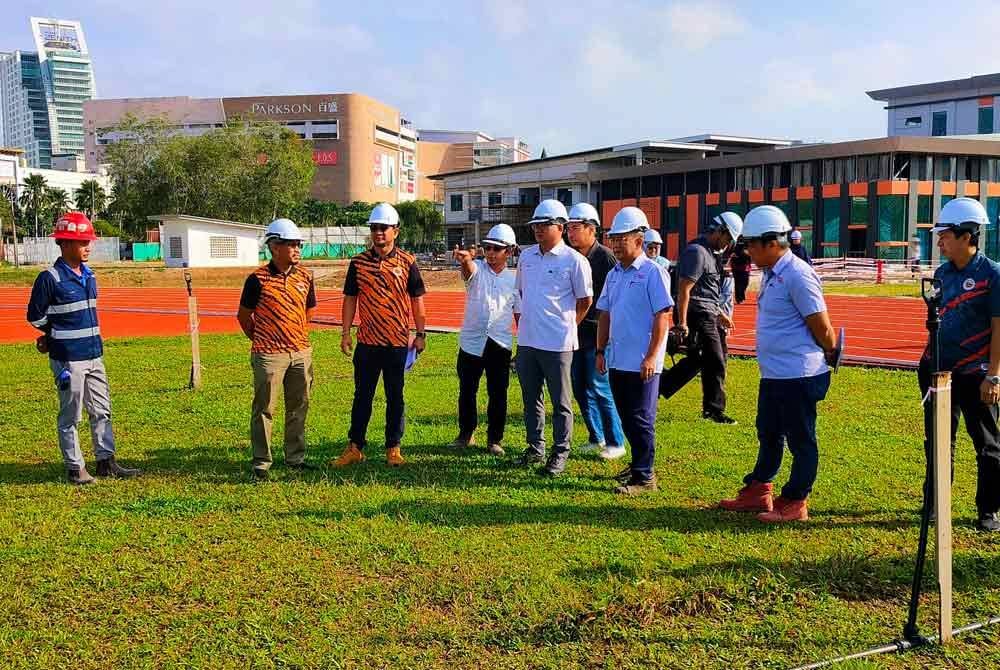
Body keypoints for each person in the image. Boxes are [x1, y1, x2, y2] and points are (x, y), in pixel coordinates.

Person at [719, 205, 837, 523]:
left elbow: (822, 326)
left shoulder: (798, 275)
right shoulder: (772, 274)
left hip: (798, 374)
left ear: (772, 242)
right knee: (769, 432)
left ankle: (796, 500)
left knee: (801, 439)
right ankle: (759, 489)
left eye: (752, 245)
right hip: (775, 373)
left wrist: (829, 351)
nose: (748, 252)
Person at [26, 212, 141, 485]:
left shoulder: (89, 275)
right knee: (71, 415)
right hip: (69, 360)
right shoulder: (50, 278)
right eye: (82, 242)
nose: (88, 246)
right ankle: (75, 467)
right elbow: (34, 315)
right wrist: (52, 335)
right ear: (64, 243)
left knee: (101, 409)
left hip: (94, 355)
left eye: (89, 241)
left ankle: (106, 461)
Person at [919, 197, 1000, 532]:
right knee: (938, 442)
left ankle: (988, 509)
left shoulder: (992, 275)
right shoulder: (941, 272)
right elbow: (935, 318)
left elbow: (999, 327)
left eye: (945, 235)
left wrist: (994, 376)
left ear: (968, 235)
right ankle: (936, 502)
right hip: (939, 373)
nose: (940, 242)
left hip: (977, 375)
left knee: (988, 445)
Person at [333, 202, 427, 468]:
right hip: (367, 344)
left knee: (395, 397)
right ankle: (355, 447)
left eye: (383, 228)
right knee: (362, 396)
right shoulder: (358, 263)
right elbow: (350, 298)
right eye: (374, 228)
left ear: (395, 231)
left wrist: (420, 334)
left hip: (397, 343)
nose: (378, 233)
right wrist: (345, 333)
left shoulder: (408, 263)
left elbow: (417, 301)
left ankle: (393, 448)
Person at [596, 207, 673, 495]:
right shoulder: (614, 274)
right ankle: (638, 464)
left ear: (639, 240)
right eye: (613, 238)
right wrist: (600, 350)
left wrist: (653, 355)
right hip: (618, 359)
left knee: (641, 418)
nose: (615, 244)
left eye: (621, 238)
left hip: (643, 362)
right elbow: (604, 313)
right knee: (627, 416)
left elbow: (662, 315)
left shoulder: (653, 273)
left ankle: (644, 477)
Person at [515, 199, 593, 477]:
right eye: (536, 224)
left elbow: (585, 300)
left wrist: (567, 325)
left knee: (561, 403)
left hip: (558, 343)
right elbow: (521, 295)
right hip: (528, 342)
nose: (538, 229)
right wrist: (525, 327)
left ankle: (560, 453)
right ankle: (535, 448)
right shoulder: (526, 257)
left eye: (544, 224)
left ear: (560, 227)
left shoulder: (575, 261)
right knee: (530, 399)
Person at [237, 218, 316, 480]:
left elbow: (309, 311)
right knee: (264, 408)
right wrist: (261, 339)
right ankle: (262, 462)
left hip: (300, 352)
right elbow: (244, 316)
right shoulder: (256, 280)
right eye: (291, 244)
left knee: (299, 405)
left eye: (298, 244)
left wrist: (297, 336)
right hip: (269, 354)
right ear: (274, 247)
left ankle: (295, 457)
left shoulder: (306, 276)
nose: (296, 249)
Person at [658, 211, 742, 424]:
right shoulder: (697, 252)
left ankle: (661, 384)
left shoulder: (711, 253)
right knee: (715, 360)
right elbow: (685, 289)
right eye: (728, 239)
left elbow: (708, 289)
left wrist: (721, 313)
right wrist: (682, 323)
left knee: (700, 360)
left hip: (709, 313)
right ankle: (714, 410)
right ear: (720, 232)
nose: (728, 244)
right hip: (698, 315)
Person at [451, 223, 521, 457]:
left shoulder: (515, 281)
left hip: (499, 344)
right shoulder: (477, 269)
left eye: (497, 249)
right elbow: (468, 271)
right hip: (471, 342)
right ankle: (465, 434)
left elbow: (518, 314)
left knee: (498, 393)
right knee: (467, 390)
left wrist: (521, 344)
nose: (491, 253)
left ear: (508, 252)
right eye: (488, 248)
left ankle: (494, 439)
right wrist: (465, 259)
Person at [566, 202, 626, 460]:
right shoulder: (571, 257)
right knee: (580, 388)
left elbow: (607, 302)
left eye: (576, 228)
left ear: (592, 229)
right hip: (576, 334)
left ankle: (616, 441)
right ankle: (596, 435)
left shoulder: (605, 258)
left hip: (596, 334)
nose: (570, 233)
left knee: (600, 386)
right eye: (568, 228)